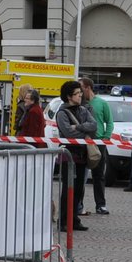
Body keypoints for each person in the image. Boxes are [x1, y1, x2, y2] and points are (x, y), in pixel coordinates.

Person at [53, 79, 97, 232]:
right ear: (69, 96)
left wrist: (78, 126)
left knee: (79, 189)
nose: (80, 96)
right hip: (68, 154)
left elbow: (94, 126)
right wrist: (83, 131)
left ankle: (74, 219)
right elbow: (68, 133)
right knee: (68, 188)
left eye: (80, 93)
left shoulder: (83, 110)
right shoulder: (62, 113)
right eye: (77, 94)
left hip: (82, 153)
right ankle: (64, 220)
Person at [83, 77, 113, 214]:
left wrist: (106, 138)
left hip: (98, 142)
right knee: (80, 175)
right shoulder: (80, 104)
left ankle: (100, 204)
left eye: (80, 87)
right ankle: (78, 205)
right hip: (83, 141)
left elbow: (109, 122)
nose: (79, 91)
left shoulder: (101, 103)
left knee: (99, 175)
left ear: (87, 88)